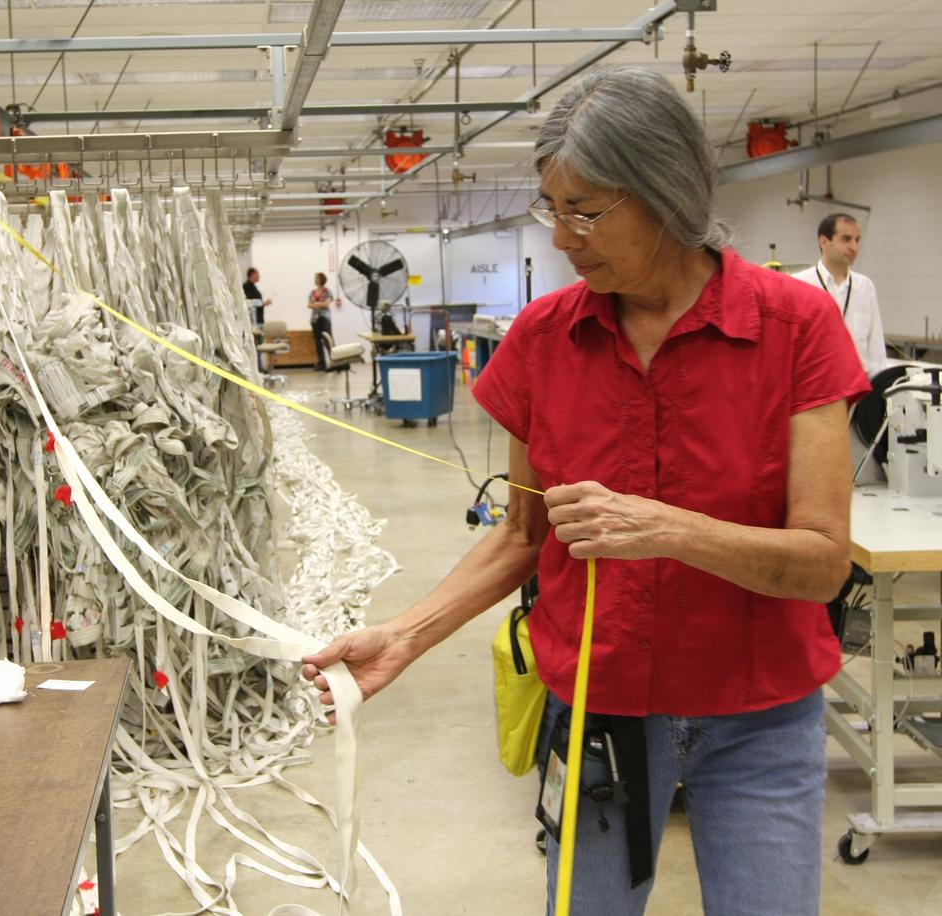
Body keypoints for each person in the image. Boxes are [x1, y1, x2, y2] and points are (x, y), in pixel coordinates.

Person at [301, 65, 868, 916]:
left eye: (587, 211)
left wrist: (672, 529)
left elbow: (823, 563)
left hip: (758, 719)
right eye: (551, 208)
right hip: (601, 715)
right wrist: (404, 636)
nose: (564, 236)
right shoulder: (542, 339)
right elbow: (524, 534)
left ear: (666, 194)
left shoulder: (795, 330)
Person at [791, 214, 887, 378]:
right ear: (823, 242)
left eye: (857, 240)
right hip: (816, 388)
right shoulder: (799, 284)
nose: (854, 247)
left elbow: (876, 349)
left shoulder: (865, 287)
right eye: (846, 239)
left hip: (859, 391)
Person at [308, 272, 336, 370]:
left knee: (328, 339)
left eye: (317, 278)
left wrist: (315, 304)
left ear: (321, 279)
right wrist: (319, 304)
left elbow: (326, 304)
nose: (315, 279)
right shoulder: (312, 292)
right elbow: (309, 305)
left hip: (324, 318)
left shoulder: (327, 291)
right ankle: (322, 363)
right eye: (315, 278)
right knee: (318, 341)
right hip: (314, 319)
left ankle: (335, 362)